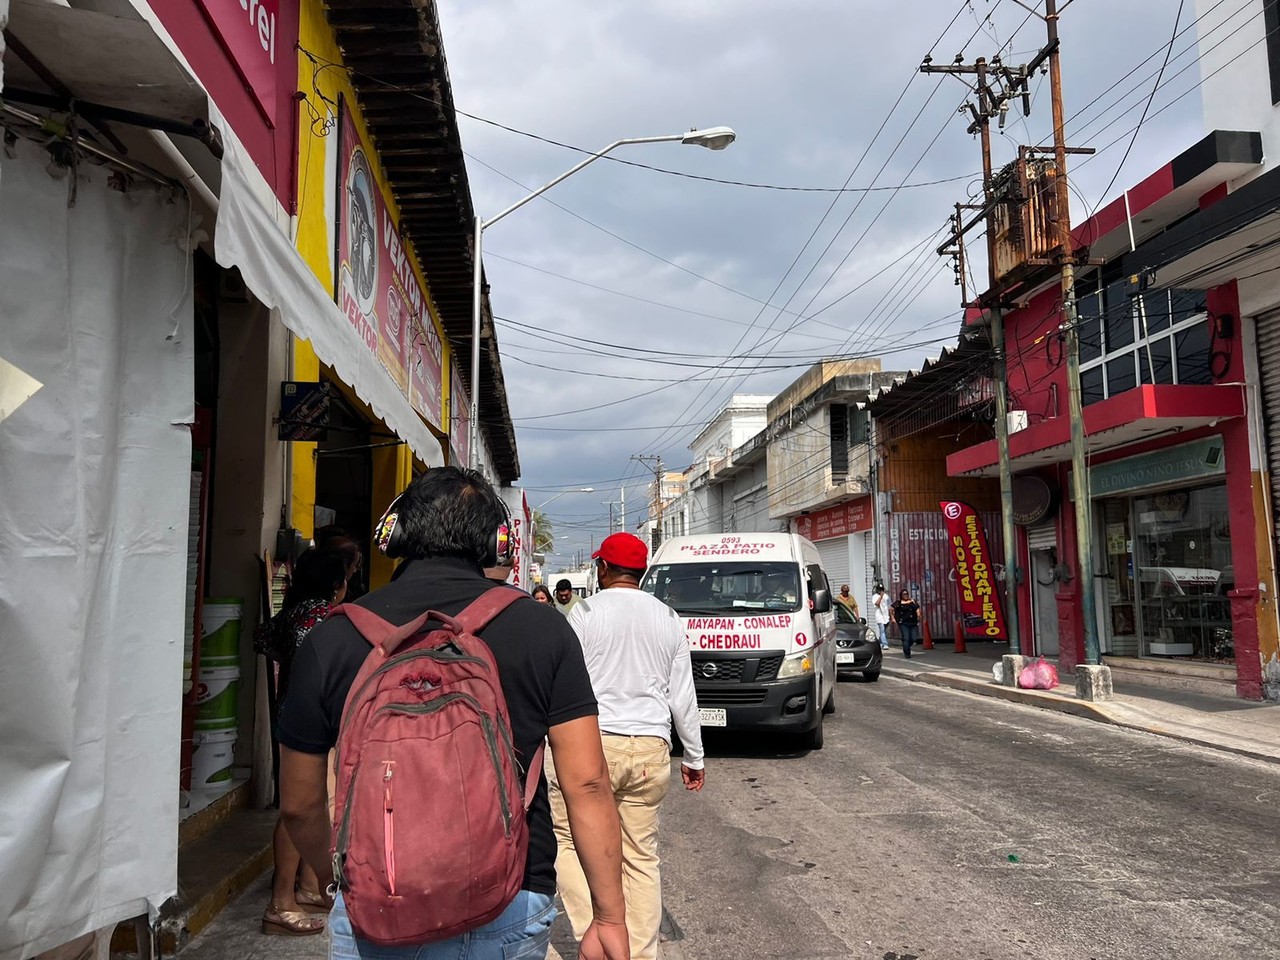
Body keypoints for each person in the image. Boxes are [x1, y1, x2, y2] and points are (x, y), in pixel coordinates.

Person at [276, 467, 630, 960]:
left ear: (396, 533)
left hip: (379, 903)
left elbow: (298, 803)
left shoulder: (332, 638)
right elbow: (586, 783)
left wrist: (343, 879)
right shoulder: (541, 627)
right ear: (494, 543)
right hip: (511, 895)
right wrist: (609, 915)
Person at [550, 532, 705, 960]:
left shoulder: (583, 613)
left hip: (589, 746)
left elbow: (560, 683)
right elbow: (682, 695)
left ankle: (596, 935)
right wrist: (694, 756)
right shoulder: (668, 618)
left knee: (569, 839)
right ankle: (636, 952)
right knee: (641, 854)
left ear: (602, 569)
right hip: (649, 748)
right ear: (642, 572)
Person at [252, 546, 352, 936]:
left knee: (310, 805)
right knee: (304, 805)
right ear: (336, 584)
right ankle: (280, 902)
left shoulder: (292, 613)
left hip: (289, 716)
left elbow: (263, 640)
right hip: (317, 723)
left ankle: (310, 887)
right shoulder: (326, 619)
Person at [892, 588, 922, 659]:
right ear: (901, 595)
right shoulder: (898, 603)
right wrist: (893, 618)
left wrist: (918, 615)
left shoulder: (912, 601)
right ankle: (907, 653)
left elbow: (917, 608)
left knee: (913, 638)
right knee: (906, 638)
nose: (906, 595)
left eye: (907, 594)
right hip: (903, 623)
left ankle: (906, 645)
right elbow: (891, 609)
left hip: (913, 622)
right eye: (904, 594)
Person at [871, 583, 892, 650]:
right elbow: (877, 604)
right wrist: (881, 596)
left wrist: (891, 615)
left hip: (886, 616)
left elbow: (890, 606)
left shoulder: (886, 596)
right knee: (882, 630)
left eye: (882, 590)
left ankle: (881, 642)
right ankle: (885, 644)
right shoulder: (875, 596)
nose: (881, 591)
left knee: (884, 631)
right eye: (879, 590)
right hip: (879, 616)